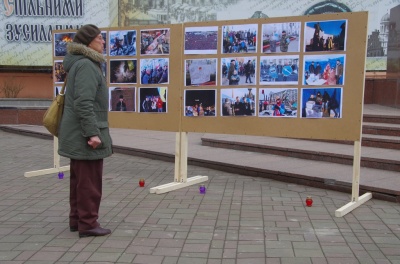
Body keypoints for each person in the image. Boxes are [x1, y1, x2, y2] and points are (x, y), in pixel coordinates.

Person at [58, 24, 112, 238]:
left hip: (76, 131)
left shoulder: (79, 63)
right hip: (85, 134)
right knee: (89, 181)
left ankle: (77, 220)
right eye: (100, 38)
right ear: (88, 41)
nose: (103, 42)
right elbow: (83, 103)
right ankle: (88, 224)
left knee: (79, 180)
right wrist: (92, 133)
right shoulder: (88, 65)